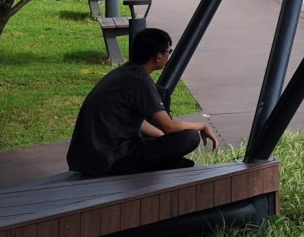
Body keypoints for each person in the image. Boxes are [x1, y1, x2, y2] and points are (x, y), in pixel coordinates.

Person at [68, 25, 218, 177]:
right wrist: (202, 126)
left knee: (160, 138)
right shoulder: (140, 81)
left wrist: (162, 139)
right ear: (158, 57)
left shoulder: (124, 72)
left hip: (90, 159)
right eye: (169, 51)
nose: (169, 55)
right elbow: (169, 126)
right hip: (111, 161)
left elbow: (135, 121)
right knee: (190, 137)